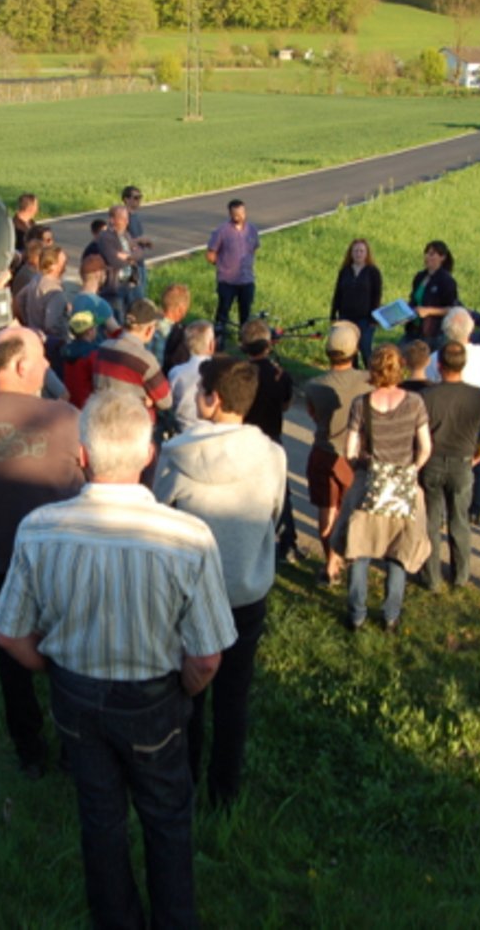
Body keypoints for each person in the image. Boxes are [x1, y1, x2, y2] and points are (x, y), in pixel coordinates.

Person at [0, 391, 235, 929]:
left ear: (82, 455)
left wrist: (52, 668)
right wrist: (183, 692)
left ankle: (116, 919)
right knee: (168, 818)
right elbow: (208, 656)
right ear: (150, 454)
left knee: (99, 818)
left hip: (74, 694)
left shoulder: (39, 528)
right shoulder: (188, 537)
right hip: (155, 695)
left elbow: (9, 635)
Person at [0, 326, 84, 777]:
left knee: (10, 656)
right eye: (42, 356)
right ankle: (72, 746)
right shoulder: (65, 418)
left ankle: (28, 751)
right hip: (58, 558)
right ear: (22, 366)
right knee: (69, 652)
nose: (48, 363)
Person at [154, 356, 285, 808]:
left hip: (188, 595)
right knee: (234, 696)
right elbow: (274, 512)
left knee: (187, 691)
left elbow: (158, 516)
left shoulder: (176, 454)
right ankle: (224, 793)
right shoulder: (272, 455)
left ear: (211, 399)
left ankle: (184, 782)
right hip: (245, 590)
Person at [331, 344, 432, 631]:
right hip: (403, 487)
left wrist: (361, 467)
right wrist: (412, 470)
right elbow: (426, 447)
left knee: (359, 549)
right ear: (400, 368)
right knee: (398, 552)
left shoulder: (361, 404)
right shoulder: (414, 403)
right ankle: (390, 616)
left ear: (373, 370)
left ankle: (357, 614)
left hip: (369, 483)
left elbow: (350, 449)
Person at [418, 343, 480, 591]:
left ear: (439, 366)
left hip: (431, 464)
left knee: (430, 522)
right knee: (460, 520)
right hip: (462, 465)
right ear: (463, 365)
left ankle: (431, 577)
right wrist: (477, 456)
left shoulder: (426, 396)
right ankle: (460, 576)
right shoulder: (479, 397)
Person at [304, 322, 373, 580]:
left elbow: (313, 415)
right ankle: (351, 557)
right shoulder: (368, 381)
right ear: (354, 351)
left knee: (326, 507)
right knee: (352, 509)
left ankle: (330, 561)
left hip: (323, 450)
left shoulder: (314, 385)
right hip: (353, 456)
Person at [239, 318, 298, 563]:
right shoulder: (279, 375)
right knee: (281, 492)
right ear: (268, 346)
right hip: (272, 437)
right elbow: (285, 405)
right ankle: (288, 543)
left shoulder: (241, 374)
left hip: (245, 437)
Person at [92, 298, 172, 422]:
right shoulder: (146, 361)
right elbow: (166, 401)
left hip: (102, 419)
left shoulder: (103, 348)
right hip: (131, 426)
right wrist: (150, 399)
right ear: (149, 330)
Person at [206, 199, 261, 343]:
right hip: (227, 280)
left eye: (242, 213)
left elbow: (254, 249)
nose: (240, 216)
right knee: (223, 312)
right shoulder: (222, 231)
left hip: (247, 279)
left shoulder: (252, 230)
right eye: (236, 214)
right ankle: (218, 340)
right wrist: (223, 266)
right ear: (230, 214)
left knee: (246, 313)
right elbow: (211, 254)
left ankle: (245, 341)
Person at [330, 238, 383, 367]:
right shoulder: (345, 271)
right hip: (346, 317)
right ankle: (353, 376)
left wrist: (373, 318)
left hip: (365, 319)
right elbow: (338, 293)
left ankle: (371, 374)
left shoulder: (373, 272)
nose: (358, 254)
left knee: (365, 348)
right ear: (351, 253)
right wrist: (333, 314)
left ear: (366, 254)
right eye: (356, 251)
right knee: (348, 351)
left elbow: (377, 296)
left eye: (361, 251)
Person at [96, 204, 145, 320]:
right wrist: (131, 257)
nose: (127, 222)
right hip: (116, 287)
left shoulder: (126, 234)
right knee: (118, 320)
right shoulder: (105, 237)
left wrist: (127, 256)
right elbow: (114, 261)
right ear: (112, 220)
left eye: (127, 218)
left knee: (138, 316)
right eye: (123, 219)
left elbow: (139, 253)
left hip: (132, 282)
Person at [407, 240, 458, 344]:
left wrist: (429, 311)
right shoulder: (420, 277)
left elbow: (452, 309)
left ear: (442, 257)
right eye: (426, 253)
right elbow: (414, 299)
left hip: (432, 333)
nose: (427, 257)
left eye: (432, 254)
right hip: (413, 329)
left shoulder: (446, 281)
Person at [168, 320, 215, 433]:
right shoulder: (217, 372)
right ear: (211, 345)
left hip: (180, 428)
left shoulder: (176, 372)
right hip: (208, 430)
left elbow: (170, 401)